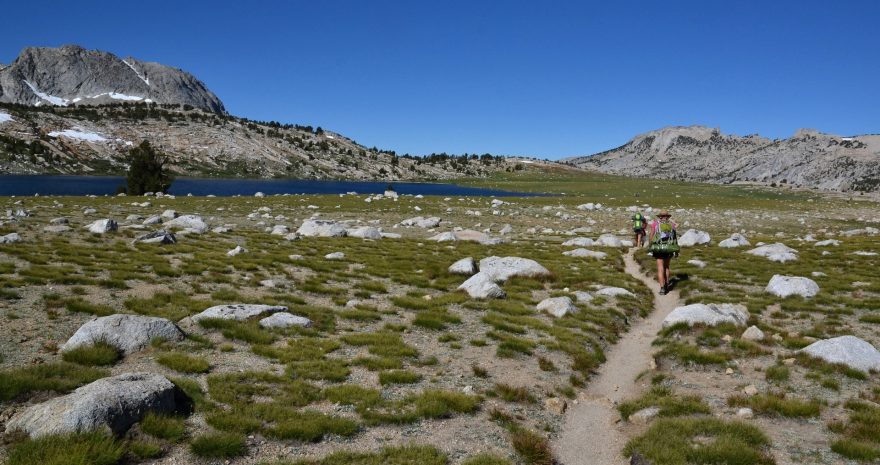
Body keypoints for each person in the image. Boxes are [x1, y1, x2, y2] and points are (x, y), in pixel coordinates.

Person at [648, 209, 678, 295]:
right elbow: (674, 238)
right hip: (669, 248)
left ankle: (662, 288)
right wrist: (676, 250)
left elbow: (651, 235)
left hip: (659, 248)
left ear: (660, 216)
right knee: (667, 267)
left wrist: (650, 246)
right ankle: (667, 285)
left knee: (660, 268)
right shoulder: (672, 225)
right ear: (668, 217)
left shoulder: (655, 224)